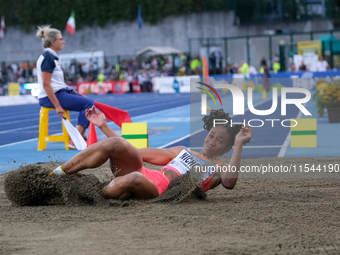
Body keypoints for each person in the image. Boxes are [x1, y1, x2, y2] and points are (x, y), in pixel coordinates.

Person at [50, 107, 252, 200]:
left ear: (227, 148)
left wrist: (239, 143)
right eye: (211, 135)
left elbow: (229, 183)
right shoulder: (181, 151)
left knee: (133, 179)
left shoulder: (220, 168)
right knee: (115, 144)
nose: (212, 141)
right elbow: (134, 152)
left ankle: (83, 197)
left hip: (161, 189)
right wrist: (103, 126)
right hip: (150, 176)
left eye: (220, 141)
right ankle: (55, 175)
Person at [36, 25, 94, 149]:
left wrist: (70, 90)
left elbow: (55, 82)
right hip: (50, 96)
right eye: (61, 39)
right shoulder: (48, 58)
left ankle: (79, 135)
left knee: (89, 102)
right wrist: (57, 106)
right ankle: (76, 138)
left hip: (59, 92)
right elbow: (46, 85)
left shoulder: (53, 57)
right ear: (53, 42)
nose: (64, 41)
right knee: (88, 104)